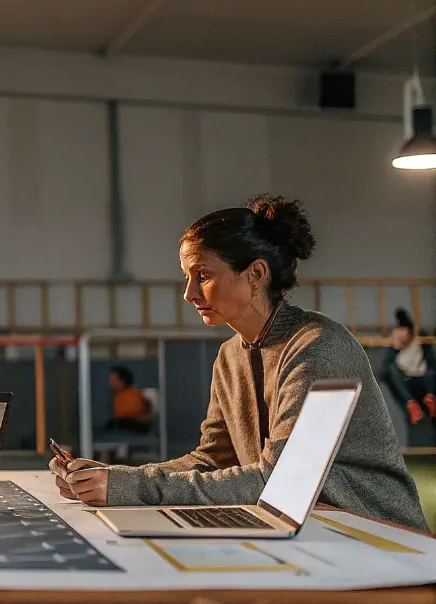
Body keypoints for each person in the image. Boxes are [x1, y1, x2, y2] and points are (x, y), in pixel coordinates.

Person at [50, 195, 427, 531]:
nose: (189, 293)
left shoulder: (318, 347)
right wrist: (111, 477)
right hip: (307, 529)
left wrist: (130, 487)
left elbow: (280, 482)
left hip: (374, 533)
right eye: (187, 277)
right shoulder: (231, 355)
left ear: (256, 274)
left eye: (204, 275)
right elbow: (212, 458)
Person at [379, 307, 436, 426]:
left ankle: (431, 401)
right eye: (400, 331)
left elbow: (431, 362)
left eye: (405, 330)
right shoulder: (395, 348)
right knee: (392, 370)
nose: (403, 334)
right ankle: (412, 406)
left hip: (423, 379)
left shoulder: (420, 340)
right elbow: (384, 370)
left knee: (430, 373)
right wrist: (394, 348)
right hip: (406, 381)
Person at [104, 365, 151, 434]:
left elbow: (128, 414)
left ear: (122, 381)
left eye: (113, 380)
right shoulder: (117, 396)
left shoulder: (133, 395)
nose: (111, 384)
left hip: (137, 428)